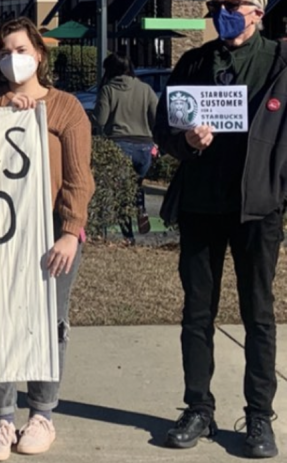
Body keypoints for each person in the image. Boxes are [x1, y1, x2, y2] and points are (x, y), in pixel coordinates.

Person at [153, 0, 284, 458]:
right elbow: (163, 126)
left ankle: (258, 417)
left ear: (260, 9)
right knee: (197, 314)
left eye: (239, 4)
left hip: (257, 211)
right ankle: (197, 408)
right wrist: (183, 141)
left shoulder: (279, 63)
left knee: (259, 315)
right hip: (201, 206)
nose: (228, 12)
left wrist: (277, 189)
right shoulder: (193, 61)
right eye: (221, 5)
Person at [0, 17, 95, 461]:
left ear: (39, 54)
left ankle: (42, 414)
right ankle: (2, 418)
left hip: (53, 235)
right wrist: (4, 118)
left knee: (50, 323)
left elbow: (79, 178)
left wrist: (71, 232)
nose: (11, 58)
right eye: (3, 51)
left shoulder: (65, 108)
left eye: (19, 49)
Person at [93, 52, 158, 243]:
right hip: (144, 146)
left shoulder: (108, 89)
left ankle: (128, 236)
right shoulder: (145, 89)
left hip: (119, 144)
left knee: (121, 191)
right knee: (136, 184)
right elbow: (156, 116)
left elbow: (101, 119)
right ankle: (141, 209)